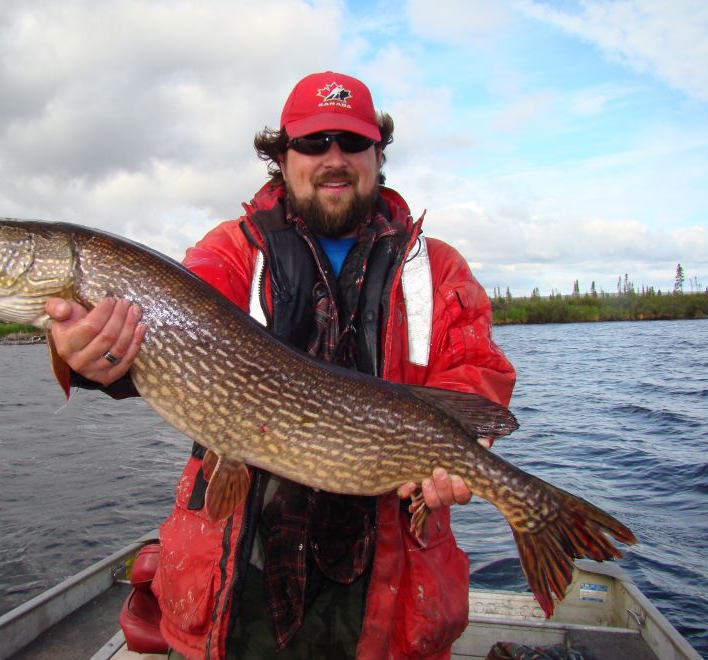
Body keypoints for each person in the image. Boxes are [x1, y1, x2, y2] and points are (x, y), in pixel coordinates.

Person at [46, 71, 516, 659]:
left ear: (378, 153)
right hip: (240, 570)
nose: (334, 159)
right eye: (314, 144)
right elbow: (150, 329)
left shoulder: (437, 268)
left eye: (352, 142)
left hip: (390, 582)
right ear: (282, 155)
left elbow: (475, 372)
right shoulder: (231, 251)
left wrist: (463, 454)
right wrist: (93, 358)